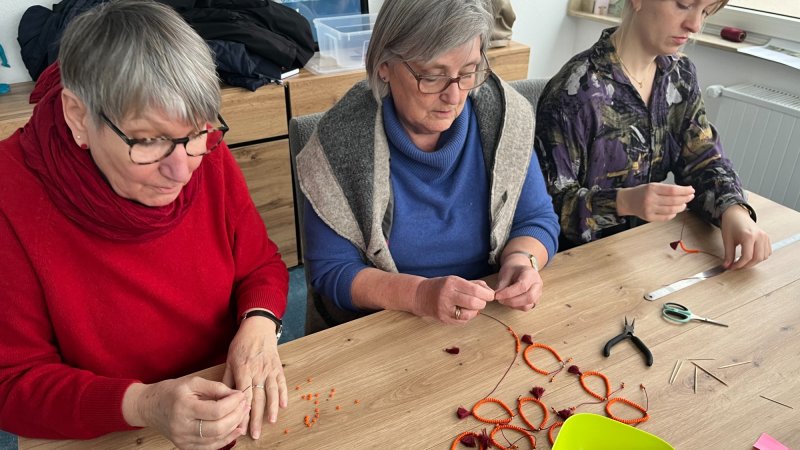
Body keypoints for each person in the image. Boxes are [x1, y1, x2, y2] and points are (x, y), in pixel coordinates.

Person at [0, 1, 289, 448]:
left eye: (196, 132)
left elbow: (260, 263)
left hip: (227, 403)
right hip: (104, 431)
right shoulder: (10, 195)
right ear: (79, 116)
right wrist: (143, 404)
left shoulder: (201, 152)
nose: (181, 170)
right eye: (149, 141)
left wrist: (259, 323)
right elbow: (13, 384)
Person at [296, 0, 560, 333]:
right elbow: (332, 270)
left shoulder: (508, 119)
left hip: (489, 320)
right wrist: (419, 294)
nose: (454, 96)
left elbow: (536, 218)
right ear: (383, 65)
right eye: (432, 77)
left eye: (468, 72)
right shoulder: (340, 143)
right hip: (383, 329)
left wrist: (523, 260)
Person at [535, 0, 771, 269]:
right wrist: (624, 202)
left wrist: (735, 212)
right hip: (579, 269)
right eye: (683, 4)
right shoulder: (576, 92)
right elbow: (548, 212)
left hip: (646, 254)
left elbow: (704, 160)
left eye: (705, 12)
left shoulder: (679, 75)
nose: (694, 25)